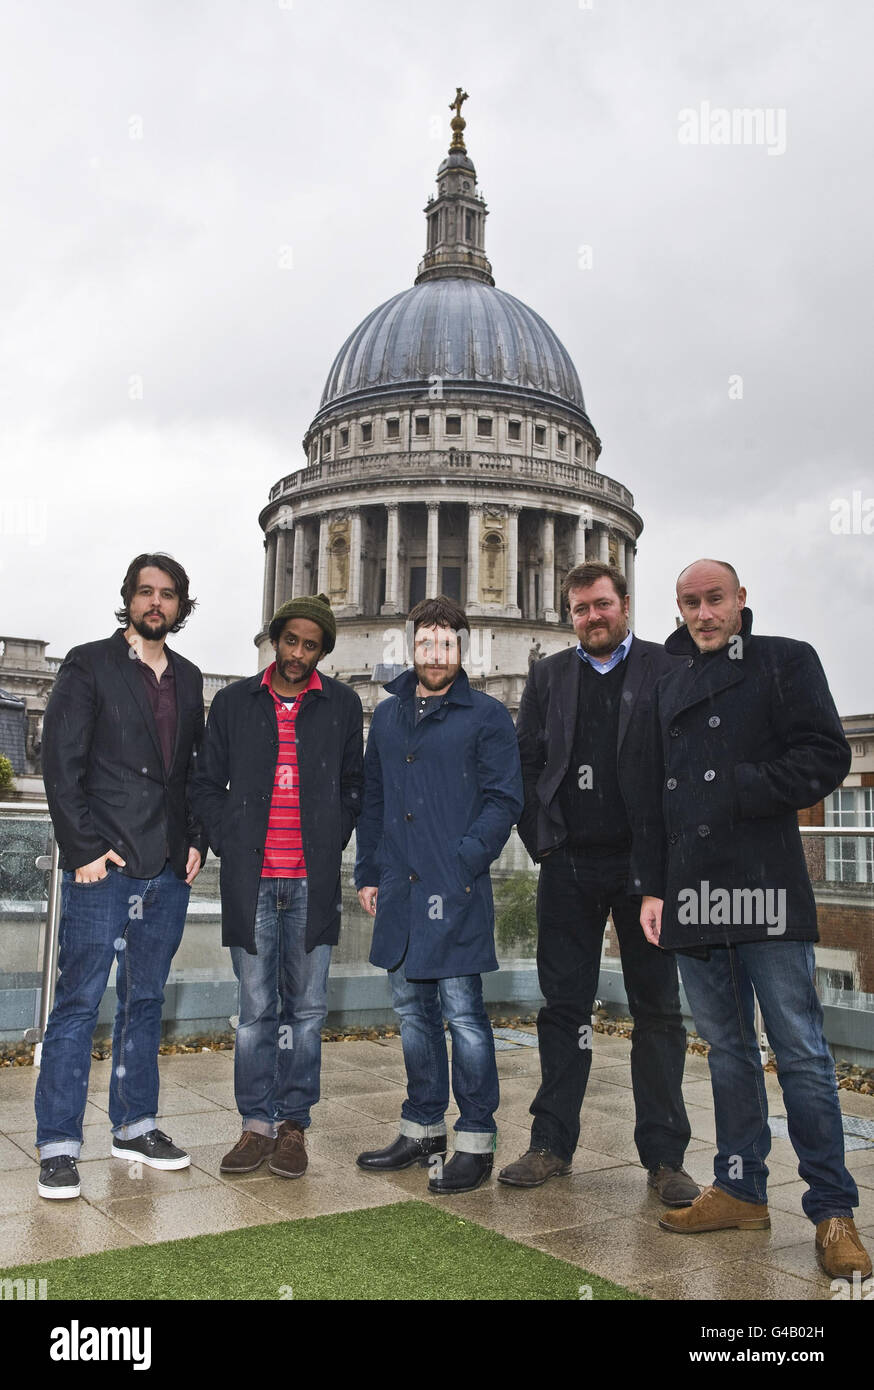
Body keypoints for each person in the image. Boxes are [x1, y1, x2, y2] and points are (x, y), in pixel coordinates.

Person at [632, 558, 871, 1279]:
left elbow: (827, 757)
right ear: (677, 608)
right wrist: (650, 888)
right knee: (727, 1052)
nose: (703, 614)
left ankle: (832, 1210)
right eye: (689, 603)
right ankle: (739, 1187)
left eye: (714, 600)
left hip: (764, 889)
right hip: (691, 898)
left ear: (741, 600)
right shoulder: (664, 680)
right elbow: (646, 793)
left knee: (799, 1053)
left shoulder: (785, 662)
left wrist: (736, 788)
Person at [499, 562, 697, 1203]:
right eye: (581, 609)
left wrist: (665, 869)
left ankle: (665, 1157)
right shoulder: (550, 674)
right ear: (570, 614)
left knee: (658, 1010)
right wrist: (543, 840)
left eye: (602, 605)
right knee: (562, 1008)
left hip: (647, 872)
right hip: (570, 865)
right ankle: (552, 1143)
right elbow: (526, 761)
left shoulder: (668, 669)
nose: (593, 617)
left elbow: (686, 765)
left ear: (626, 605)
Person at [35, 553, 205, 1198]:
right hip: (102, 867)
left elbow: (189, 774)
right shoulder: (89, 664)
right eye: (145, 592)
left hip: (166, 869)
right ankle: (58, 1143)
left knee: (145, 1002)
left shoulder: (188, 678)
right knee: (78, 1003)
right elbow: (61, 763)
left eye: (167, 595)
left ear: (181, 607)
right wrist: (82, 850)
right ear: (128, 599)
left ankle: (134, 1125)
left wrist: (197, 839)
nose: (154, 603)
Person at [354, 596, 523, 1194]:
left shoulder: (487, 716)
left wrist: (465, 860)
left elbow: (505, 799)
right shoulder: (390, 716)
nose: (435, 654)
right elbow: (373, 800)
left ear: (463, 648)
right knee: (412, 1016)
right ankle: (423, 1127)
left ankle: (476, 1138)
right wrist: (367, 872)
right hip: (400, 890)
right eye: (425, 643)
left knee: (465, 1019)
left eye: (447, 643)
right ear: (411, 646)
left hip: (455, 890)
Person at [192, 594, 363, 1178]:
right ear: (275, 639)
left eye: (310, 645)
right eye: (290, 640)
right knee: (258, 1009)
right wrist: (230, 840)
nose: (297, 653)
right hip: (254, 882)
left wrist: (333, 835)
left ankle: (294, 1125)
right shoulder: (236, 703)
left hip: (312, 884)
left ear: (323, 650)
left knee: (308, 1011)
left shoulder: (342, 704)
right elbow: (206, 782)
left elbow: (353, 785)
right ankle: (255, 1125)